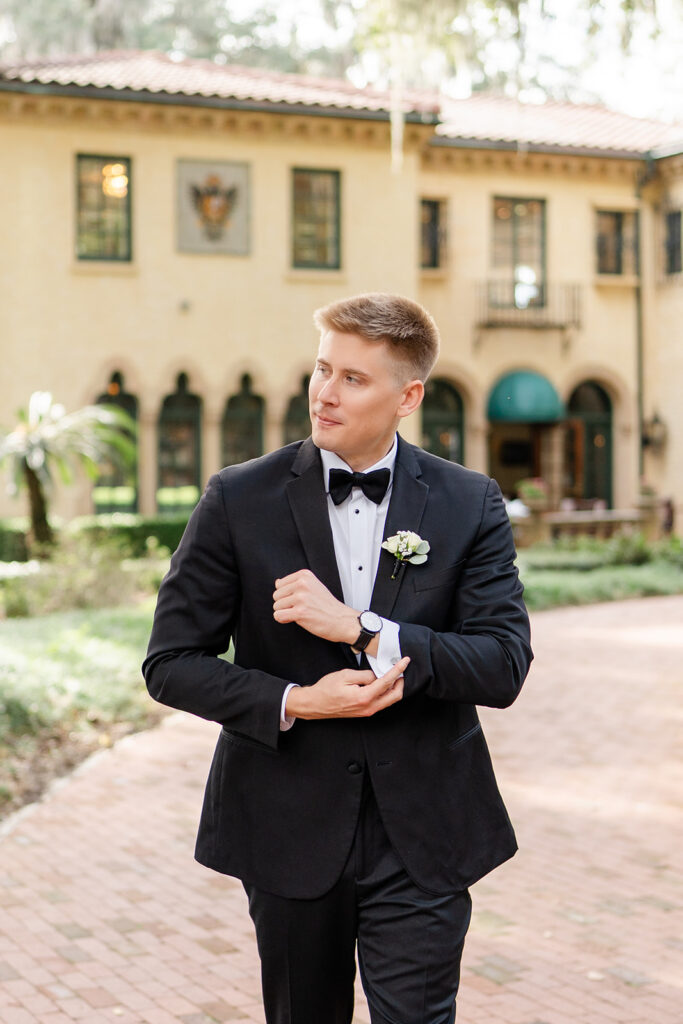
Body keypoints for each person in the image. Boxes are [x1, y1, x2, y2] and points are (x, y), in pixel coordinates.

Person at [143, 292, 533, 1024]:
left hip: (425, 830)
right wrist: (297, 701)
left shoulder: (466, 502)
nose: (324, 392)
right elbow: (169, 662)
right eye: (322, 368)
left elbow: (502, 664)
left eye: (353, 378)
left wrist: (362, 627)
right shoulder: (237, 498)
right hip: (287, 824)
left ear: (407, 395)